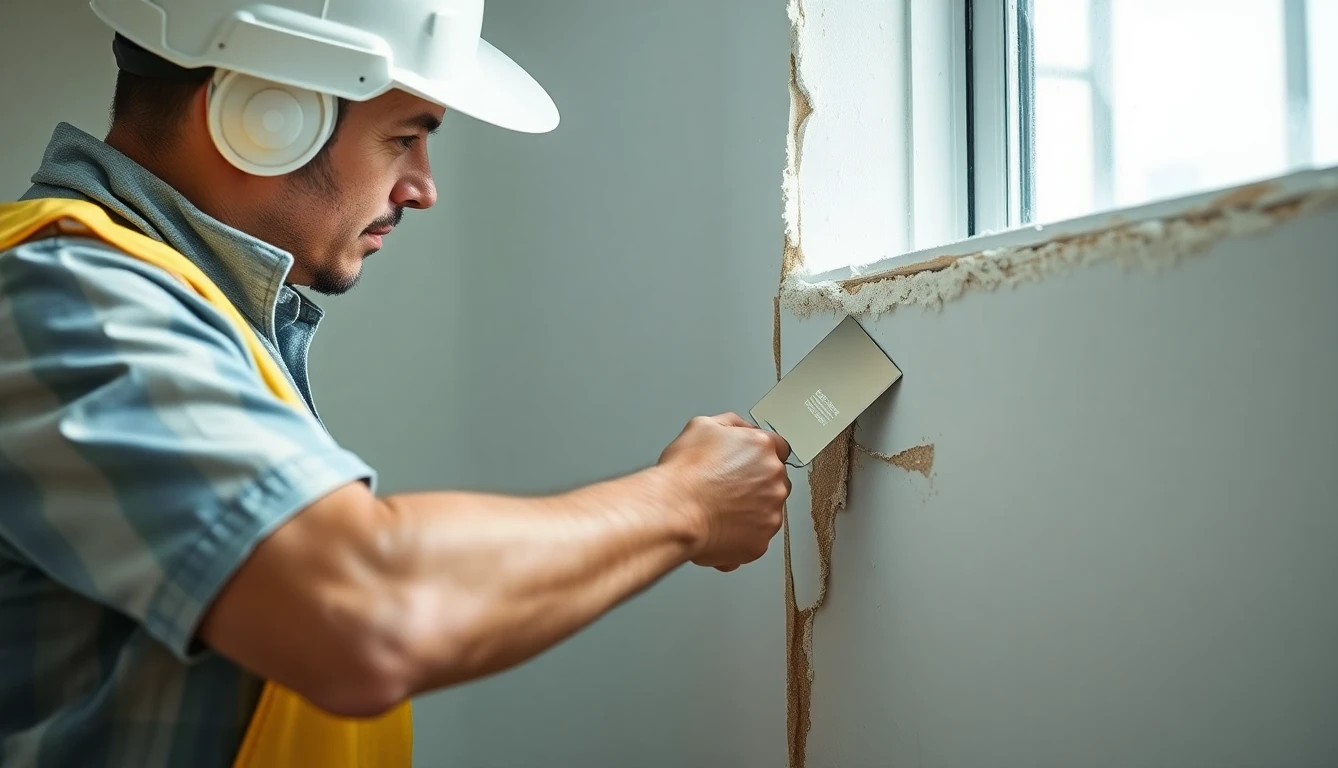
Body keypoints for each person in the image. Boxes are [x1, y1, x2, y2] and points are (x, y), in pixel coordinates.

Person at [0, 2, 791, 766]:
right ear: (264, 114)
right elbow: (363, 613)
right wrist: (683, 504)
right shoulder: (69, 298)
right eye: (404, 138)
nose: (422, 187)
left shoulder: (188, 312)